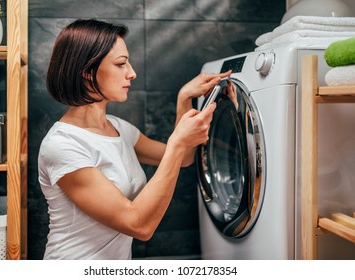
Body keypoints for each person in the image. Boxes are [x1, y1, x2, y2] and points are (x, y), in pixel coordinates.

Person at [38, 18, 231, 260]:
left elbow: (183, 159)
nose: (132, 73)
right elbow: (139, 225)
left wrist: (184, 99)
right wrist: (178, 142)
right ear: (87, 73)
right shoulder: (63, 145)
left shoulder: (120, 129)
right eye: (121, 64)